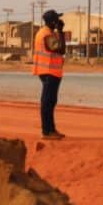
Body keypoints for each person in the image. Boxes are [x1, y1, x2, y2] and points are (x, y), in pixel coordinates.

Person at [33, 9, 66, 140]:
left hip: (51, 72)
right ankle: (47, 131)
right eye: (57, 20)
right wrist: (61, 32)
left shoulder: (48, 33)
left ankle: (51, 130)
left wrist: (58, 32)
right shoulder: (47, 34)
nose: (59, 22)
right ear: (52, 22)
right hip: (48, 72)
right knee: (47, 102)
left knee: (51, 101)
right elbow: (61, 49)